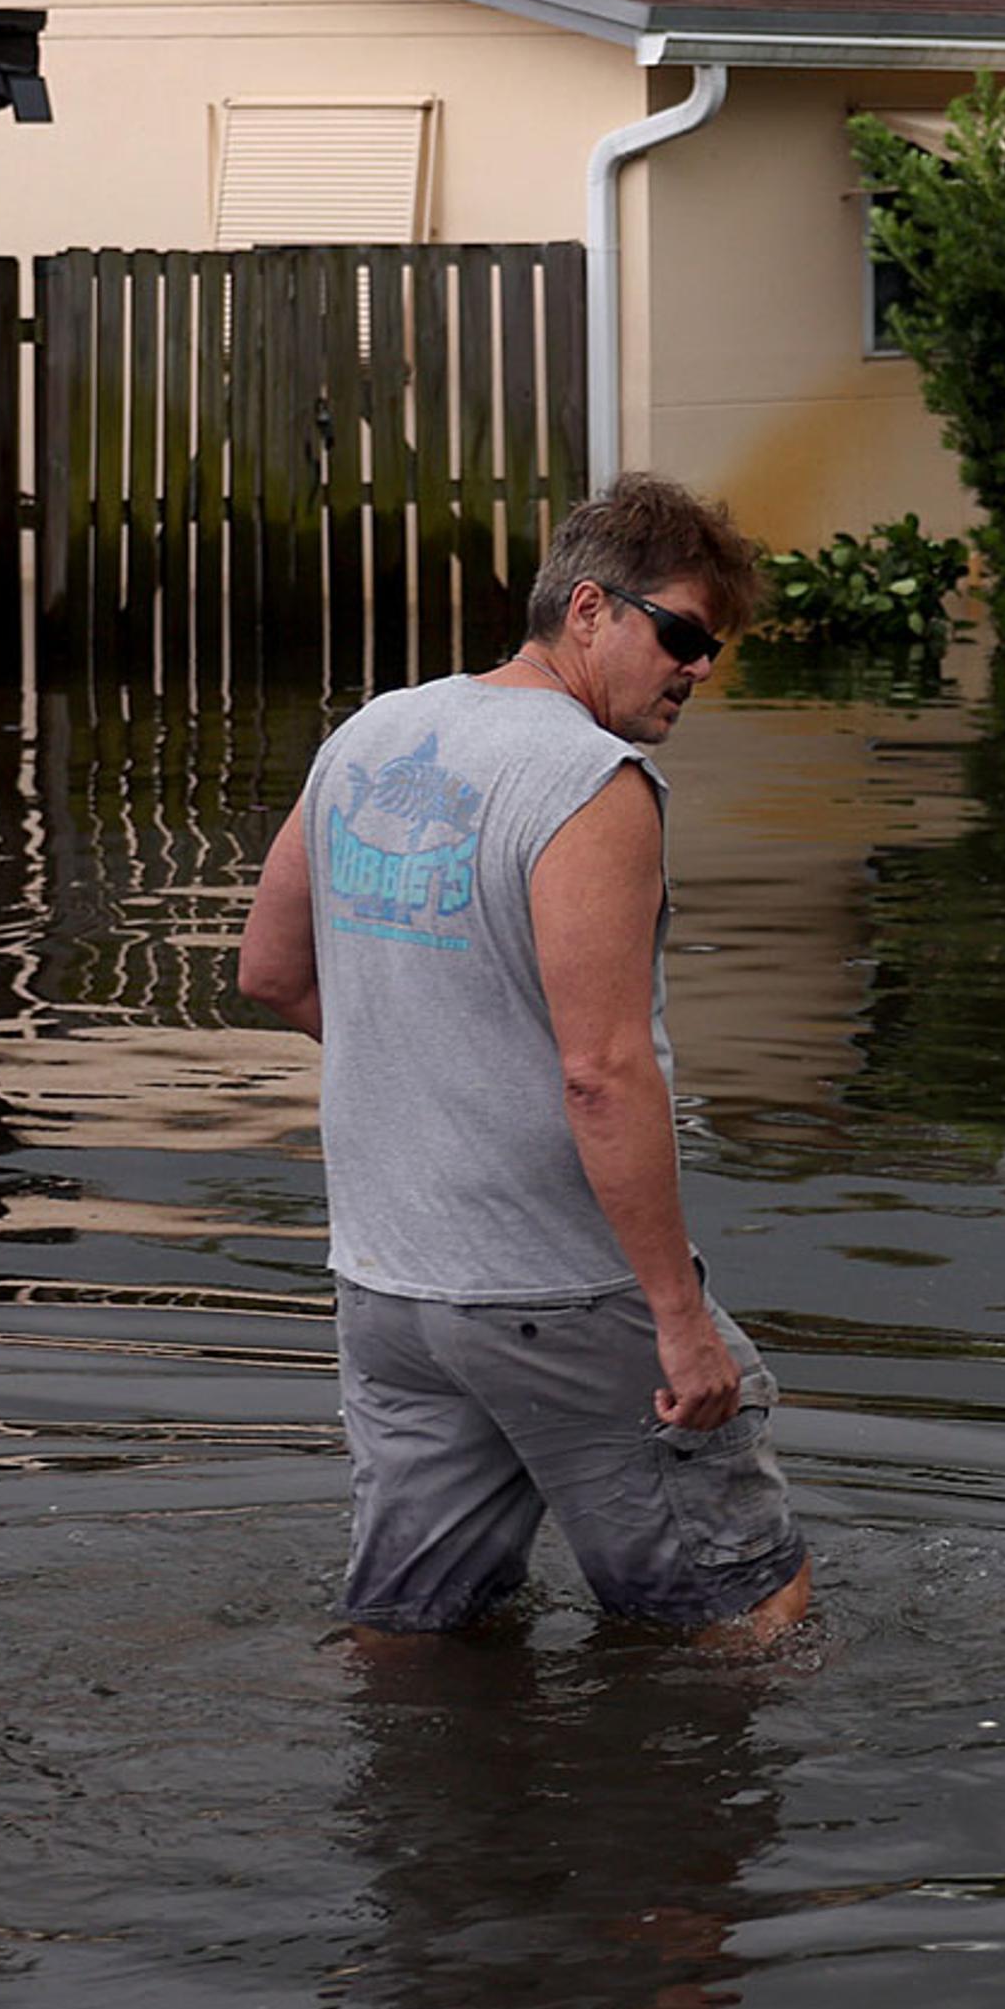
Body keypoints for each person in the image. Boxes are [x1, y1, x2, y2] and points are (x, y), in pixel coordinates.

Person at [236, 471, 812, 1647]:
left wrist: (435, 1073)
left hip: (390, 1290)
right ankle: (703, 1827)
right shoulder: (589, 784)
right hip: (558, 1286)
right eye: (684, 635)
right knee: (750, 1620)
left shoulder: (373, 733)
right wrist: (678, 1319)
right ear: (590, 609)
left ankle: (418, 1824)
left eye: (717, 648)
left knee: (415, 1634)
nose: (700, 668)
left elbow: (270, 974)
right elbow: (602, 1073)